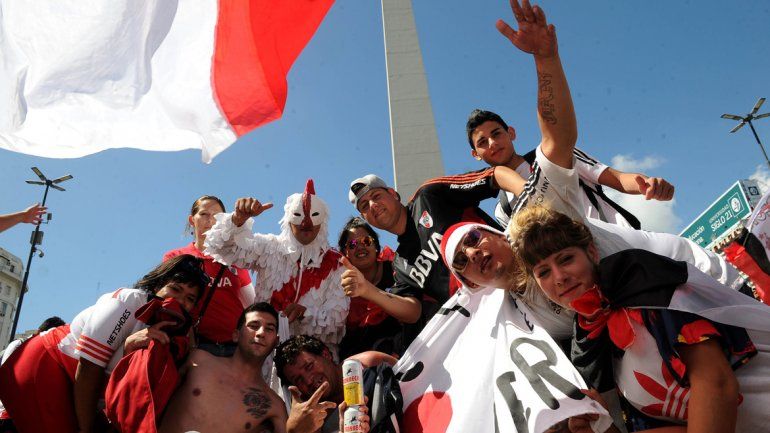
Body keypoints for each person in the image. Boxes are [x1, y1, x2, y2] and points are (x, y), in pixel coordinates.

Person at [510, 205, 770, 433]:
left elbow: (717, 384)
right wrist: (601, 427)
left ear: (592, 252)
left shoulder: (644, 284)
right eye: (543, 272)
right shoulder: (591, 347)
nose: (559, 277)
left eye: (566, 259)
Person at [0, 254, 207, 433]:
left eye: (190, 298)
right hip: (45, 366)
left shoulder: (179, 337)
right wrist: (87, 428)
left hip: (75, 388)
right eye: (175, 289)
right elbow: (89, 367)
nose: (180, 301)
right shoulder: (128, 301)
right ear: (158, 285)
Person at [205, 180, 349, 359]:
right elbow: (221, 248)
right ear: (288, 219)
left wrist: (306, 314)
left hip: (316, 361)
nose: (306, 222)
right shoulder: (269, 247)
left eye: (314, 216)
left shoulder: (337, 264)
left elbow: (337, 323)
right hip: (265, 359)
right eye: (298, 215)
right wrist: (238, 219)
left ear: (323, 221)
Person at [465, 109, 675, 229]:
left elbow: (617, 179)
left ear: (511, 133)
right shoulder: (503, 209)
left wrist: (647, 184)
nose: (492, 143)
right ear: (475, 154)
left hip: (627, 244)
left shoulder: (554, 154)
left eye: (496, 134)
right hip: (584, 282)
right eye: (482, 142)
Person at [159, 303, 289, 433]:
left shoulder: (274, 405)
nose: (261, 333)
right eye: (254, 326)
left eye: (269, 329)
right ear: (236, 335)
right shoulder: (198, 360)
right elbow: (151, 390)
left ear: (275, 342)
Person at [163, 195, 254, 357]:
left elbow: (252, 303)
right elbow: (169, 301)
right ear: (192, 220)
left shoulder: (235, 259)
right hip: (196, 347)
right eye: (204, 214)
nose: (210, 220)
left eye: (216, 216)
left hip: (235, 348)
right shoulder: (176, 257)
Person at [275, 335, 396, 433]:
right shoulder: (312, 415)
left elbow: (410, 381)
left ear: (326, 354)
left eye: (309, 366)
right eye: (298, 379)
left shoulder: (368, 364)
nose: (308, 380)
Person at [337, 217, 403, 358]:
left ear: (376, 246)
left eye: (366, 241)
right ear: (345, 253)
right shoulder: (342, 289)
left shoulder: (397, 269)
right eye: (352, 244)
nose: (360, 247)